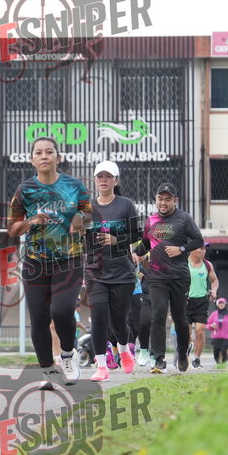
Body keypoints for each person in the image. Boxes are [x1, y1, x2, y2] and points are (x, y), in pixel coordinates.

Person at [8, 137, 91, 389]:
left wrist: (80, 216)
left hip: (69, 259)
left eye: (49, 152)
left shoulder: (74, 186)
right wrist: (30, 222)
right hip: (36, 262)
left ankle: (67, 354)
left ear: (58, 157)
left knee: (62, 310)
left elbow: (89, 212)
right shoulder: (24, 190)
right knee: (39, 318)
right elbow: (12, 228)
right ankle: (48, 370)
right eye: (38, 153)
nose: (44, 156)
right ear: (32, 160)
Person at [134, 183, 203, 374]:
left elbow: (198, 240)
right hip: (157, 277)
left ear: (175, 201)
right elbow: (145, 244)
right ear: (155, 200)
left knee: (180, 318)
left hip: (179, 276)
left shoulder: (184, 218)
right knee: (158, 314)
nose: (163, 203)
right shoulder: (150, 220)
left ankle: (182, 352)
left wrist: (181, 249)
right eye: (160, 199)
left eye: (168, 199)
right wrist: (135, 254)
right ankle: (159, 359)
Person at [84, 161, 142, 381]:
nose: (104, 180)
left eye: (108, 176)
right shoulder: (87, 207)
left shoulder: (126, 205)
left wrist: (116, 240)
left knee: (118, 322)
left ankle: (124, 350)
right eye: (100, 176)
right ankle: (101, 366)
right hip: (95, 271)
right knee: (98, 317)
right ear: (95, 180)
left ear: (116, 180)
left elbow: (137, 235)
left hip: (122, 272)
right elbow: (82, 239)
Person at [187, 244, 219, 369]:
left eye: (205, 248)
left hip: (201, 301)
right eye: (201, 248)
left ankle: (196, 359)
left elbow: (214, 281)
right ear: (192, 250)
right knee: (186, 333)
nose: (204, 251)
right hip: (185, 301)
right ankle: (189, 344)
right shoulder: (183, 263)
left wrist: (214, 291)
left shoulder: (207, 265)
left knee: (200, 331)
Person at [207, 298, 228, 364]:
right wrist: (211, 325)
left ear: (225, 304)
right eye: (219, 303)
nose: (221, 304)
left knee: (224, 350)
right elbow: (208, 324)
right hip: (216, 336)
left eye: (222, 303)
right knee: (216, 351)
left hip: (226, 336)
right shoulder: (214, 314)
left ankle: (223, 362)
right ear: (217, 304)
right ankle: (218, 363)